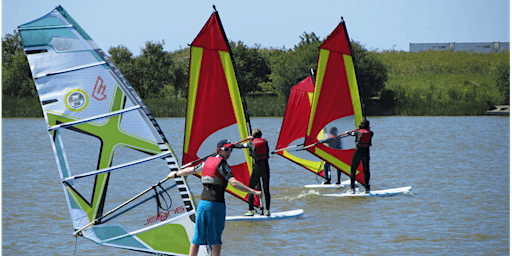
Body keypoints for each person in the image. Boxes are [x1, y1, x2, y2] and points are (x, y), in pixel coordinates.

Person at [167, 139, 262, 256]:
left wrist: (176, 173)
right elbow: (234, 183)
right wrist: (253, 191)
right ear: (219, 150)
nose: (229, 152)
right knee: (215, 239)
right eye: (226, 149)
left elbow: (192, 170)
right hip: (215, 206)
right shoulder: (223, 165)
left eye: (231, 149)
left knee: (197, 238)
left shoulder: (207, 161)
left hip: (202, 204)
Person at [233, 128, 271, 217]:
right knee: (266, 189)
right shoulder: (265, 141)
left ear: (253, 135)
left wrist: (231, 145)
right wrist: (253, 139)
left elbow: (240, 146)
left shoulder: (250, 143)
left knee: (250, 188)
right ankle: (268, 210)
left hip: (257, 167)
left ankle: (250, 211)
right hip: (266, 167)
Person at [345, 119, 374, 194]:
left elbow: (351, 133)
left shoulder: (357, 132)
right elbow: (369, 132)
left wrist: (347, 132)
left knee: (353, 170)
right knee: (366, 170)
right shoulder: (371, 133)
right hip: (366, 152)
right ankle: (367, 189)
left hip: (358, 151)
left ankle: (352, 189)